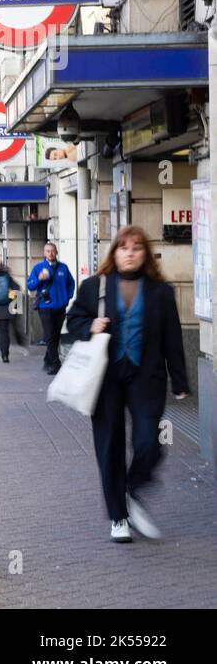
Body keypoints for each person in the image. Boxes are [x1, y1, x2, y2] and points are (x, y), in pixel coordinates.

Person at [65, 226, 190, 543]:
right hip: (104, 376)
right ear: (114, 253)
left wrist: (180, 380)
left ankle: (131, 490)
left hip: (146, 376)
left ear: (145, 254)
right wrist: (89, 325)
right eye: (123, 247)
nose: (130, 252)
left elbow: (173, 338)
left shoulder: (161, 292)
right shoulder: (95, 286)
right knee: (109, 445)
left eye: (136, 248)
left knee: (150, 442)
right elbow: (74, 320)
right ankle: (118, 516)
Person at [27, 242, 76, 375]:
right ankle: (56, 363)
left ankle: (47, 359)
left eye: (53, 251)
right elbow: (30, 286)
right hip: (45, 306)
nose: (50, 253)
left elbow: (71, 283)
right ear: (44, 253)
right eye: (48, 251)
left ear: (56, 252)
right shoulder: (38, 268)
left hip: (60, 306)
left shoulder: (63, 268)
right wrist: (39, 279)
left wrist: (68, 297)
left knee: (55, 335)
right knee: (49, 335)